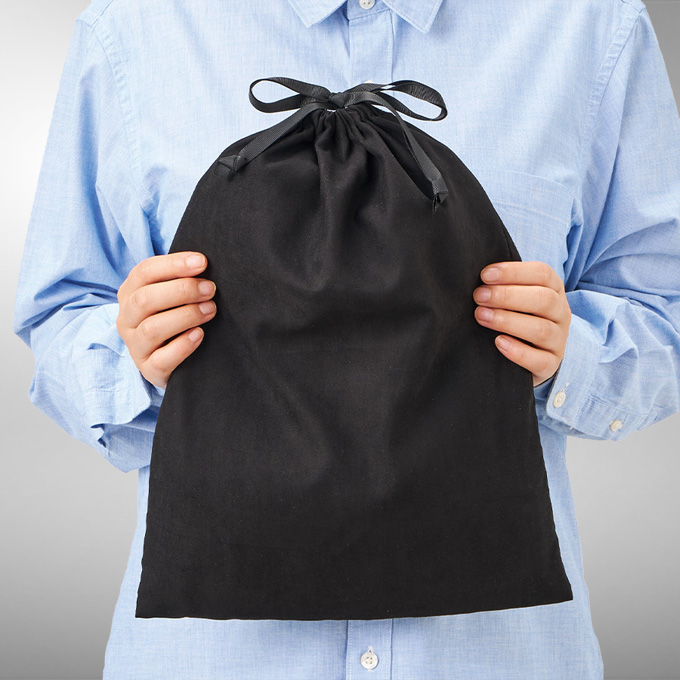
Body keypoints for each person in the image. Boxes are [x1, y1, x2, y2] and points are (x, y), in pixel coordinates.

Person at [12, 0, 680, 678]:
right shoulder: (135, 27)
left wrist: (573, 355)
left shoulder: (588, 25)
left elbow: (665, 309)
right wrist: (130, 356)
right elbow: (59, 312)